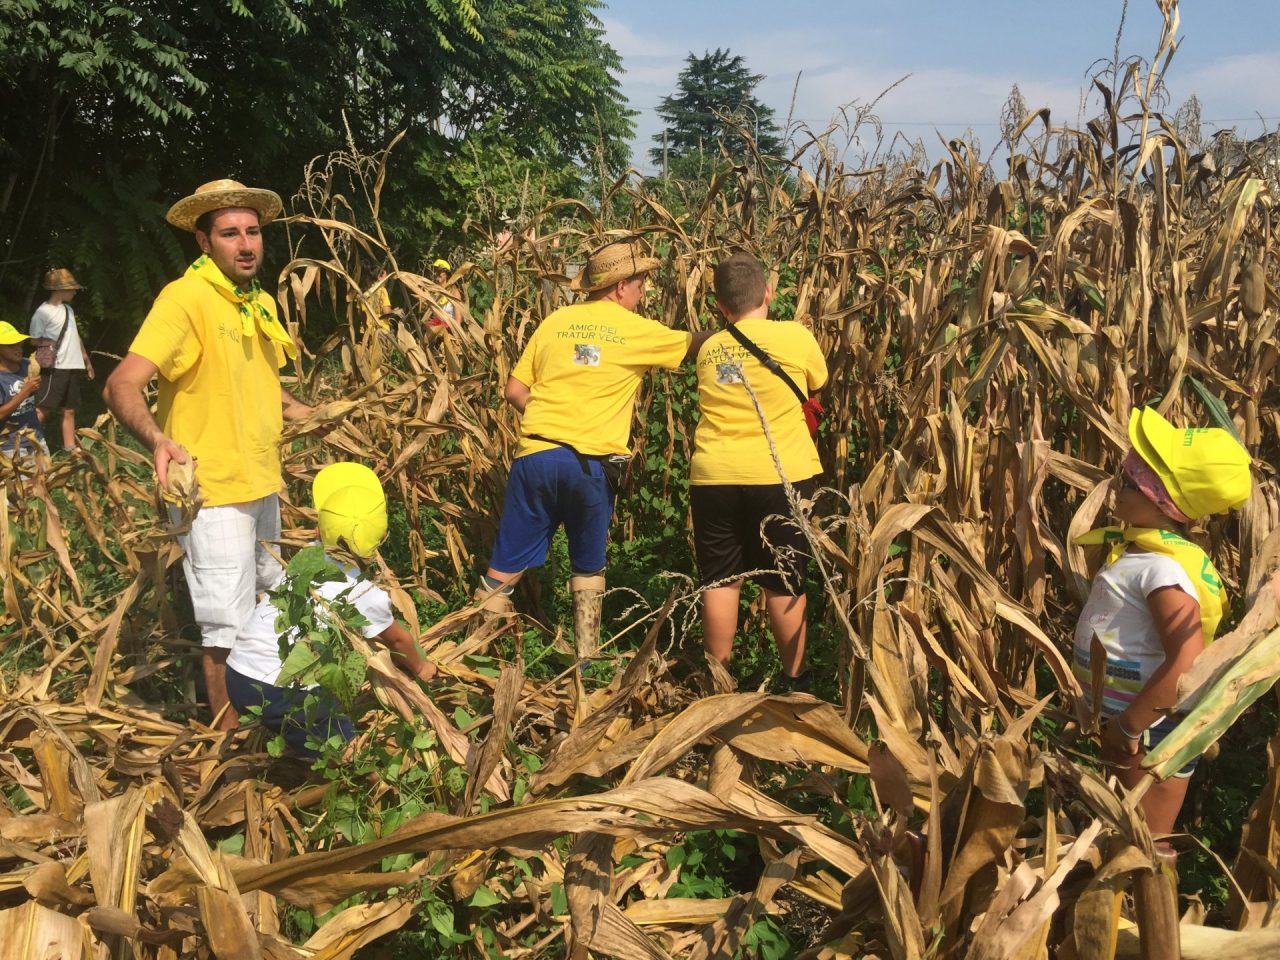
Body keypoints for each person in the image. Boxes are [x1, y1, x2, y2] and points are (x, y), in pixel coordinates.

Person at [103, 178, 320, 731]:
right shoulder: (187, 298)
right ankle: (226, 745)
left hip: (261, 482)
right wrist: (158, 440)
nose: (246, 244)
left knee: (270, 607)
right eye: (229, 234)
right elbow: (121, 384)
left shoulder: (259, 304)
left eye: (253, 231)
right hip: (211, 490)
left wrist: (323, 416)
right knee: (226, 626)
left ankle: (267, 722)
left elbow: (266, 387)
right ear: (203, 242)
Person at [478, 237, 709, 657]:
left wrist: (552, 417)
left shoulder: (554, 322)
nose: (643, 293)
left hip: (536, 455)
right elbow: (696, 345)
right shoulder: (634, 328)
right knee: (587, 566)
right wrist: (745, 333)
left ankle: (473, 657)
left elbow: (514, 390)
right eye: (639, 284)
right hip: (589, 465)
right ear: (620, 287)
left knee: (504, 567)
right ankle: (585, 665)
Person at [1073, 407, 1251, 841]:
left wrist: (1129, 725)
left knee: (1146, 839)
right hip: (1126, 724)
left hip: (1148, 730)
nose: (1117, 485)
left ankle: (1155, 885)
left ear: (1160, 501)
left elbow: (1187, 659)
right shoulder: (1142, 554)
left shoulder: (1163, 570)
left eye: (1129, 481)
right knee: (1122, 832)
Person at [226, 462, 437, 756]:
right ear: (382, 538)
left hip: (238, 673)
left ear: (318, 529)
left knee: (304, 737)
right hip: (280, 689)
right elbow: (398, 641)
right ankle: (359, 777)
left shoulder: (308, 556)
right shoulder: (363, 592)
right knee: (351, 754)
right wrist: (423, 668)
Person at [690, 252, 828, 692]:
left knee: (721, 580)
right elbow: (818, 383)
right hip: (780, 473)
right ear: (768, 292)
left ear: (720, 306)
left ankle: (719, 684)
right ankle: (796, 683)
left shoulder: (709, 349)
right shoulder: (795, 337)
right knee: (783, 580)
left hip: (714, 476)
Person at [30, 268, 93, 452]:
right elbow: (34, 340)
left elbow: (76, 337)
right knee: (43, 408)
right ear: (59, 289)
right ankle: (26, 444)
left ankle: (70, 449)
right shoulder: (43, 312)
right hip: (55, 367)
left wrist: (87, 362)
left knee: (69, 409)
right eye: (71, 288)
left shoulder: (68, 310)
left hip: (73, 366)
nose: (74, 292)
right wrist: (50, 345)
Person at [0, 321, 46, 457]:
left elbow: (35, 394)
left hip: (36, 438)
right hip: (11, 447)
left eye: (19, 343)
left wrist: (34, 388)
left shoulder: (27, 365)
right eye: (11, 345)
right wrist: (25, 391)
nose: (18, 348)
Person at [426, 258, 459, 334]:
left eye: (439, 272)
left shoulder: (454, 292)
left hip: (449, 328)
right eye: (435, 271)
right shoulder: (434, 291)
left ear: (446, 274)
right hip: (436, 327)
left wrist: (457, 333)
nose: (436, 274)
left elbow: (458, 316)